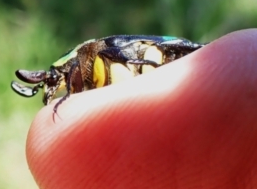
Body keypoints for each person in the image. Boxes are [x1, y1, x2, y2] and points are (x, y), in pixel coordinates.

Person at [26, 29, 257, 188]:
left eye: (55, 79)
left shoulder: (94, 53)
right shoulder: (90, 65)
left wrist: (69, 96)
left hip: (170, 56)